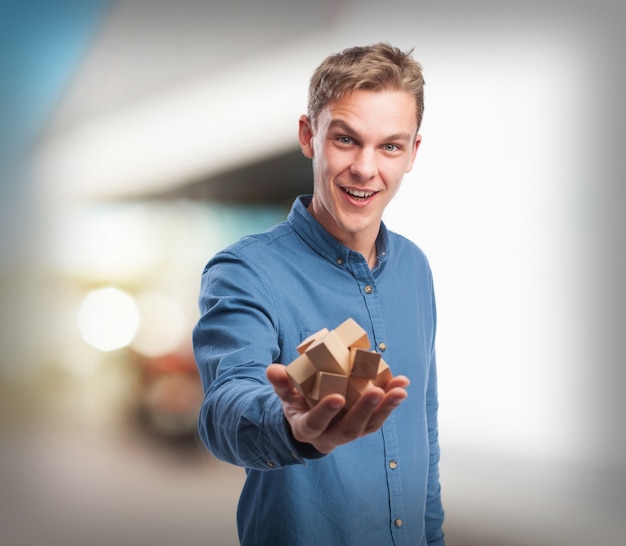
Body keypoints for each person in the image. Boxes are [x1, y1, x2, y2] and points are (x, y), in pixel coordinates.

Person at [193, 42, 446, 546]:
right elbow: (226, 405)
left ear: (413, 152)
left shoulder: (415, 269)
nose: (365, 169)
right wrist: (292, 428)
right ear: (309, 136)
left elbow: (425, 430)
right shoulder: (246, 271)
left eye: (390, 146)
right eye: (346, 140)